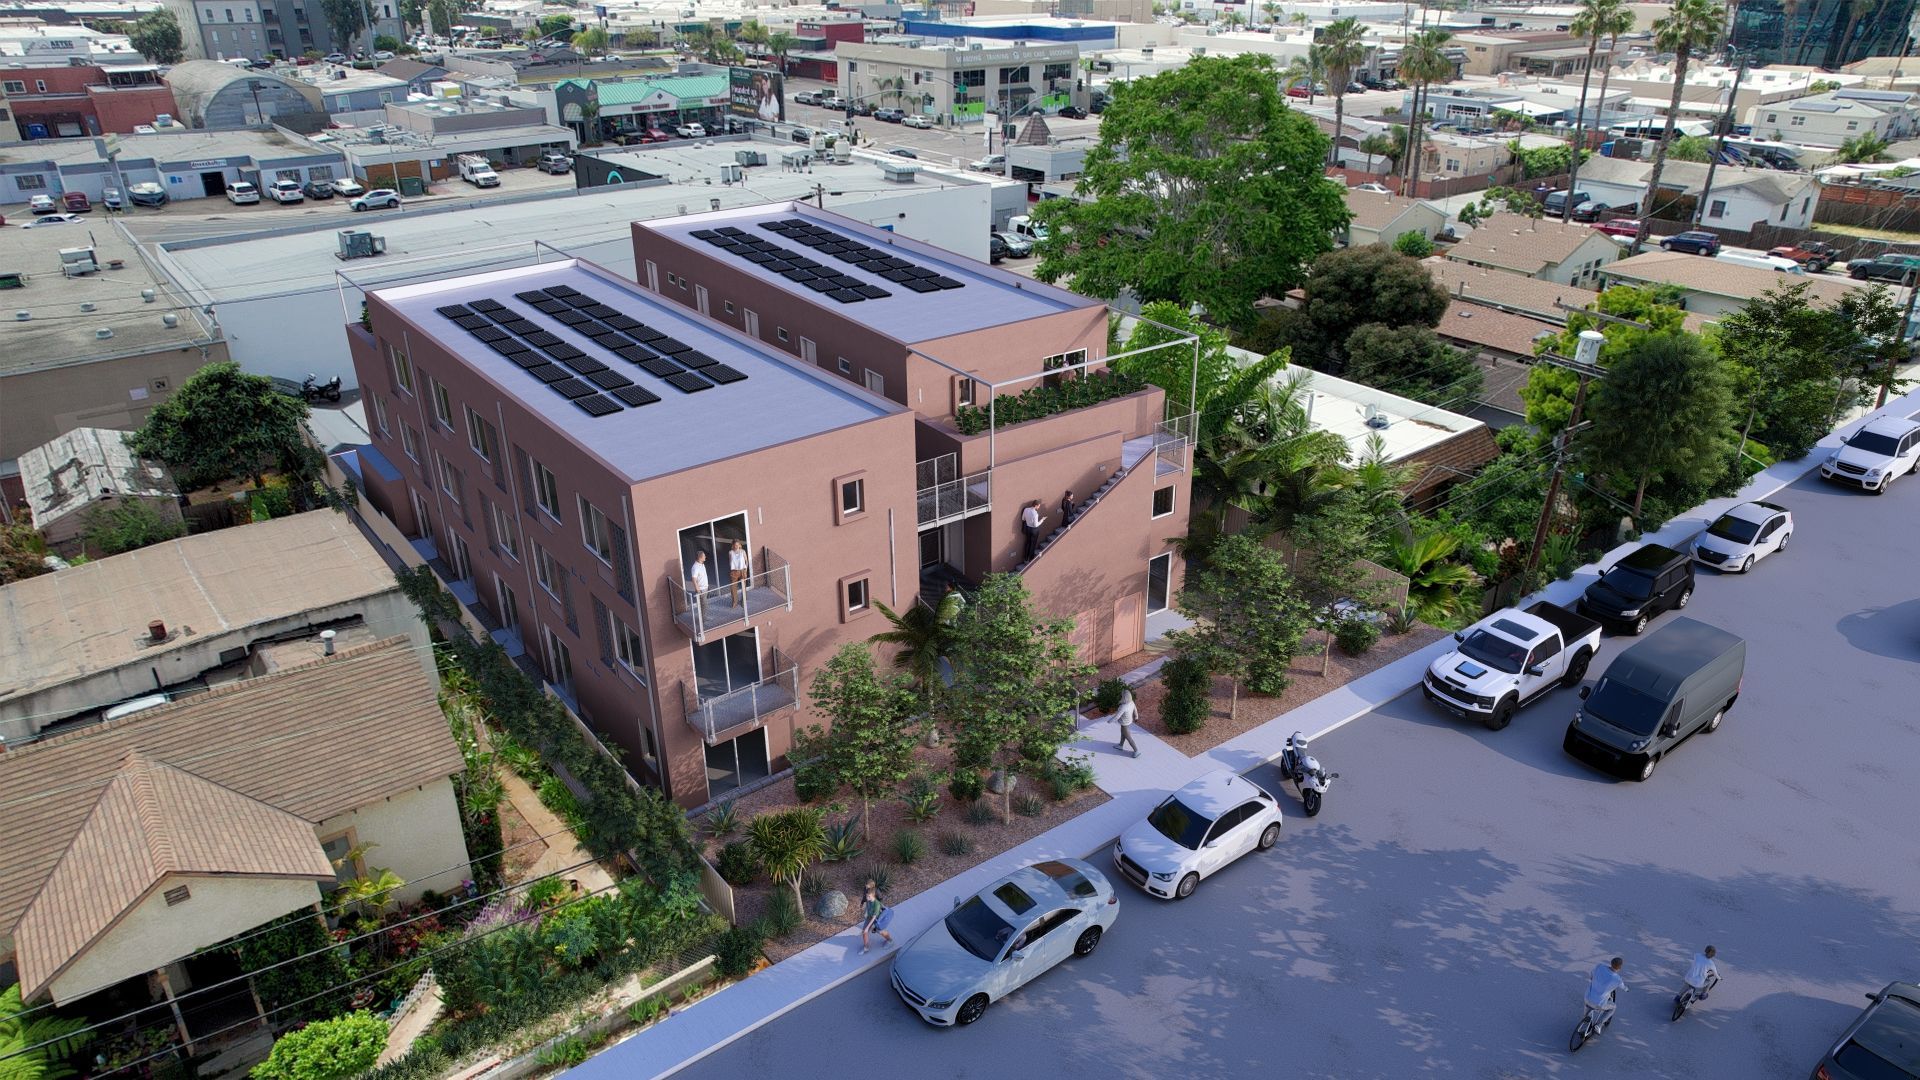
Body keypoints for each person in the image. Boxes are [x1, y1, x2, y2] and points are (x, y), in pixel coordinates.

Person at [1585, 957, 1627, 1032]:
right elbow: (1623, 987)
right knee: (1613, 1007)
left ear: (1611, 962)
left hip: (1587, 997)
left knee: (1588, 1004)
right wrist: (1627, 989)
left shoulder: (1600, 966)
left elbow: (1591, 974)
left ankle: (1585, 1021)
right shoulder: (1617, 979)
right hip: (1598, 1004)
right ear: (1620, 967)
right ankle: (1599, 1025)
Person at [859, 879, 894, 954]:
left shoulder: (876, 903)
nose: (866, 898)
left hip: (878, 918)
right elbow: (866, 903)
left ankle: (890, 941)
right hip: (871, 915)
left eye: (868, 896)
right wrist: (865, 910)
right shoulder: (867, 895)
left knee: (880, 931)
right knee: (864, 932)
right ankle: (866, 948)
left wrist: (868, 927)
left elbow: (874, 916)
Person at [1114, 686, 1139, 757]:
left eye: (1122, 696)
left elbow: (1117, 716)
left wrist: (1110, 721)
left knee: (1128, 737)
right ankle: (1120, 745)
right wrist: (1136, 717)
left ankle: (1136, 750)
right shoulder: (1131, 702)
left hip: (1124, 723)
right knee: (1123, 734)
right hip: (1128, 721)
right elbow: (1135, 710)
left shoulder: (1123, 706)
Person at [687, 550, 710, 619]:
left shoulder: (702, 565)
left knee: (704, 604)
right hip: (701, 589)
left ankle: (704, 617)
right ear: (700, 558)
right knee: (704, 605)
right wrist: (697, 589)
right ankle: (703, 619)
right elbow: (694, 579)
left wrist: (707, 585)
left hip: (705, 588)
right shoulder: (695, 567)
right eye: (704, 556)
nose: (705, 557)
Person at [728, 539, 750, 607]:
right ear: (733, 545)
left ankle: (743, 602)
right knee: (733, 588)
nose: (736, 546)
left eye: (737, 545)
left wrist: (746, 570)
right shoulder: (730, 552)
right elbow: (730, 561)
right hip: (734, 572)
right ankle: (735, 602)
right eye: (735, 545)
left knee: (743, 587)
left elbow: (746, 561)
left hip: (742, 571)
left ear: (739, 545)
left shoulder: (743, 551)